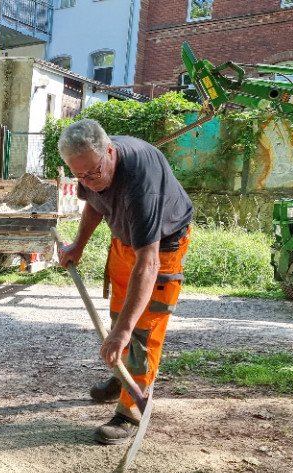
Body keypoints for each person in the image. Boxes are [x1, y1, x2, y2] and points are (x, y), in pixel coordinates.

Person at [57, 119, 193, 445]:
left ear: (111, 152)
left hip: (162, 246)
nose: (90, 180)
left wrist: (123, 332)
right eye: (80, 176)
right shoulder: (88, 160)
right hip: (125, 240)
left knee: (141, 329)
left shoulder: (140, 185)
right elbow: (94, 202)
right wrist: (78, 244)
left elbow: (149, 263)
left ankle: (131, 410)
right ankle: (123, 375)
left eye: (94, 173)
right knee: (120, 314)